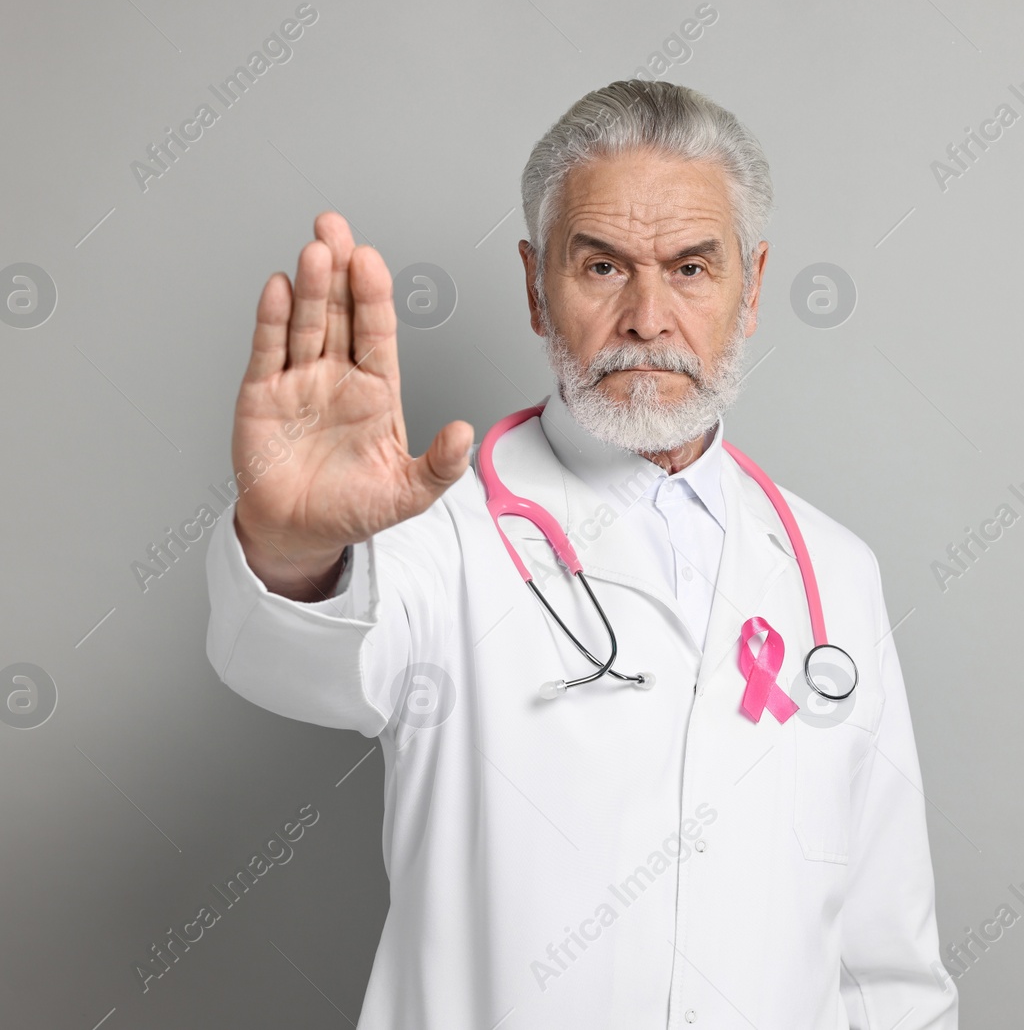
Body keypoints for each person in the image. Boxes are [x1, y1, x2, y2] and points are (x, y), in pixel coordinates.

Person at [205, 79, 958, 1028]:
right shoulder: (437, 533)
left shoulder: (834, 573)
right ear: (534, 284)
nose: (647, 317)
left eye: (691, 268)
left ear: (753, 286)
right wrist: (291, 543)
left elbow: (885, 967)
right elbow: (297, 661)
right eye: (603, 268)